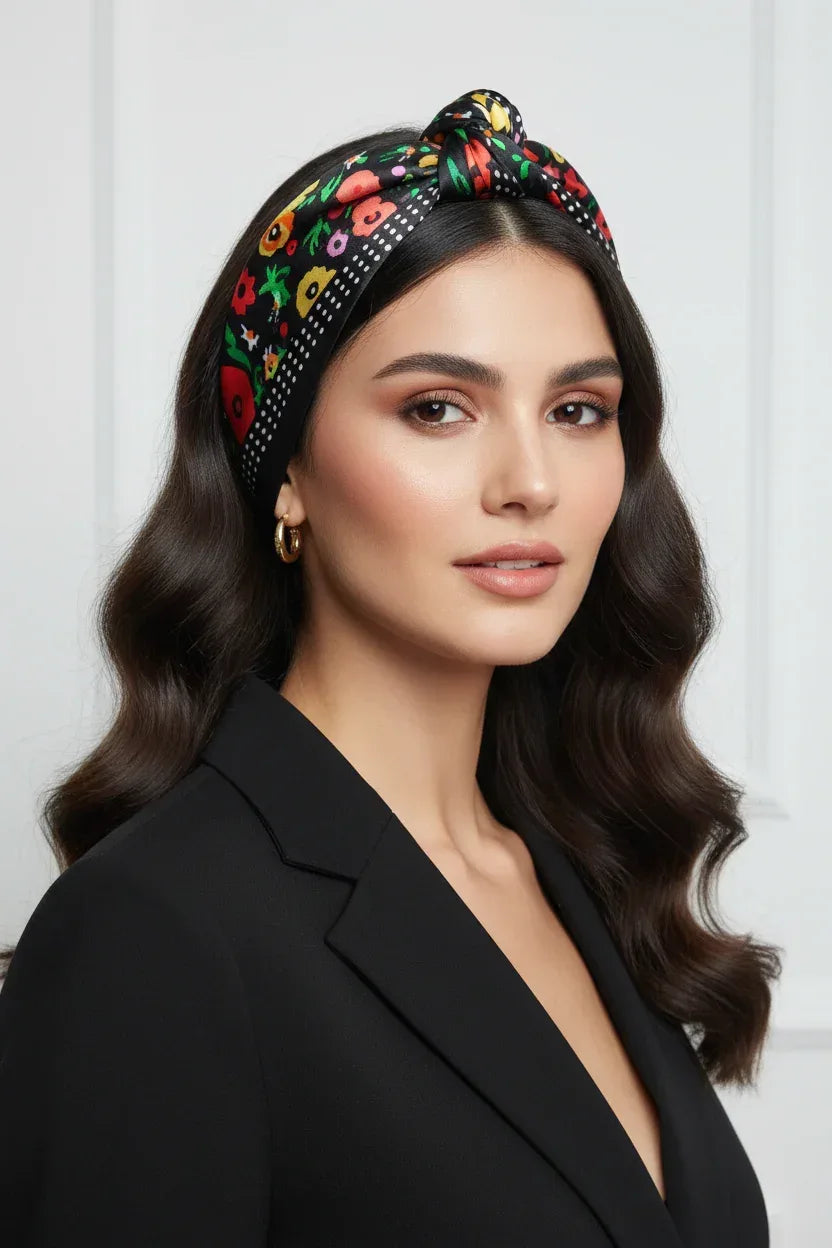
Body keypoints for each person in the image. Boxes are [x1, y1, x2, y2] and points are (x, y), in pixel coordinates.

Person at [0, 88, 780, 1246]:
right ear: (288, 475)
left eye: (577, 408)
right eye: (436, 407)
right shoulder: (155, 932)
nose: (531, 481)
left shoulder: (579, 872)